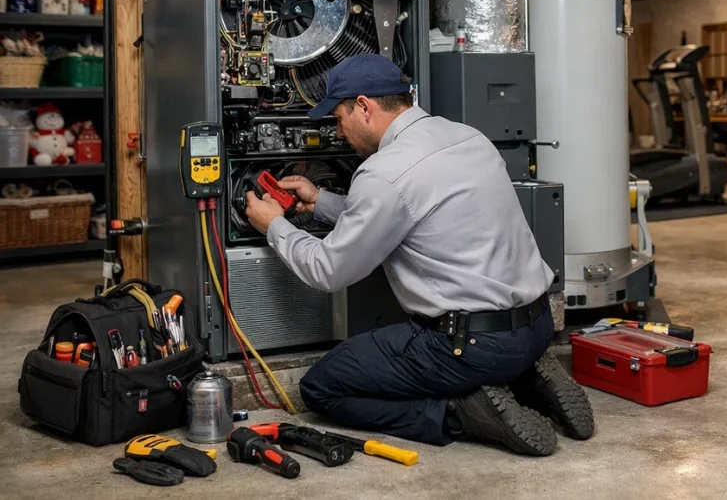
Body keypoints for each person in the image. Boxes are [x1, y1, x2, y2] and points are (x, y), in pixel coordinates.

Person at [244, 52, 593, 455]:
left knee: (322, 387)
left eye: (338, 118)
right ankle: (527, 376)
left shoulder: (384, 172)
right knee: (496, 349)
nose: (338, 132)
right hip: (536, 326)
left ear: (364, 107)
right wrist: (320, 201)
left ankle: (460, 410)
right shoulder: (466, 136)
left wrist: (275, 227)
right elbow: (403, 215)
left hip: (470, 346)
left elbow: (327, 270)